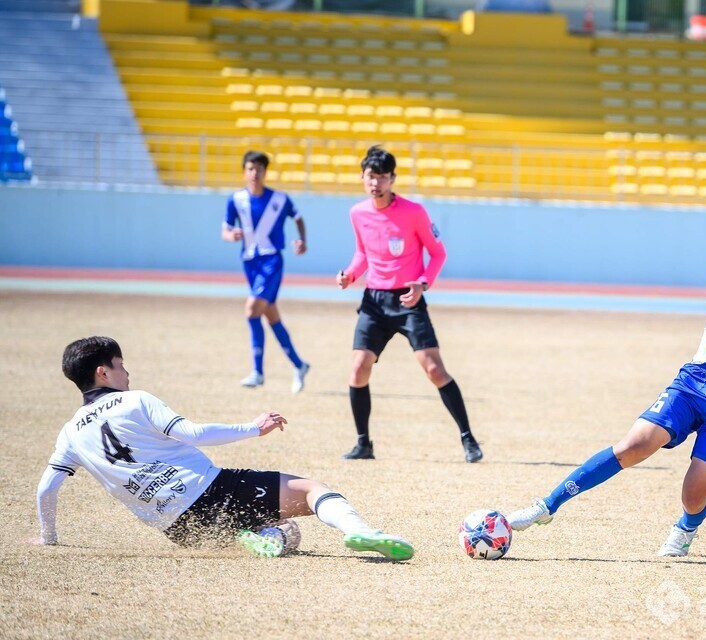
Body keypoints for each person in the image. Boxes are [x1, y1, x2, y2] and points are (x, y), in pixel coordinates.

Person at [505, 195, 706, 557]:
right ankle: (546, 506)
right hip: (694, 381)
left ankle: (687, 526)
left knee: (694, 493)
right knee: (633, 445)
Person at [32, 336, 415, 561]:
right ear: (103, 372)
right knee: (313, 489)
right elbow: (193, 434)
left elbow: (47, 488)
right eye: (120, 365)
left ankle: (255, 536)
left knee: (284, 530)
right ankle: (360, 531)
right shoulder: (135, 401)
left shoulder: (69, 434)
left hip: (179, 529)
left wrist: (48, 537)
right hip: (211, 492)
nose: (126, 373)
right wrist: (253, 427)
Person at [336, 145, 482, 463]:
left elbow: (438, 253)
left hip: (409, 299)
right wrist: (350, 275)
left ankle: (468, 438)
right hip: (374, 300)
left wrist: (423, 284)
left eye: (383, 177)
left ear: (393, 179)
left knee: (433, 369)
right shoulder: (358, 213)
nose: (376, 183)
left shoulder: (413, 212)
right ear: (362, 177)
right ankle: (364, 444)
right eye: (371, 176)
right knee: (359, 368)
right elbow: (363, 254)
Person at [222, 150, 310, 393]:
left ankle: (257, 372)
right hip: (250, 263)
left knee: (252, 309)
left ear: (265, 172)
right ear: (244, 172)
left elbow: (298, 218)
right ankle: (299, 364)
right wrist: (232, 236)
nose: (255, 173)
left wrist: (301, 240)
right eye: (250, 169)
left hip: (272, 261)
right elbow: (226, 230)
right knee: (270, 315)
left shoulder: (279, 199)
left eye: (259, 169)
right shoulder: (236, 199)